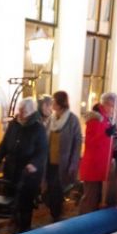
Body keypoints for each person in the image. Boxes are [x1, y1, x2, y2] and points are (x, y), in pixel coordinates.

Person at [4, 97, 48, 232]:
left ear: (31, 112)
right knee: (12, 200)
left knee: (25, 203)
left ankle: (24, 229)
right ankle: (14, 225)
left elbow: (42, 151)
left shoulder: (38, 128)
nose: (21, 114)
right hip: (12, 169)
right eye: (20, 110)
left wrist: (33, 164)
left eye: (24, 111)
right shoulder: (14, 124)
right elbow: (4, 144)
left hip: (29, 174)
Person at [44, 90, 82, 222]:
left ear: (60, 103)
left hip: (63, 163)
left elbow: (77, 143)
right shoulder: (51, 119)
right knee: (50, 189)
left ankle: (56, 216)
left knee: (58, 190)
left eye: (54, 101)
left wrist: (73, 163)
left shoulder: (72, 120)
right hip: (49, 162)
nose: (52, 104)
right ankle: (54, 214)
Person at [77, 92, 117, 213]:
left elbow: (105, 144)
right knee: (90, 199)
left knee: (97, 200)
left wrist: (113, 152)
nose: (113, 110)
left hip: (100, 165)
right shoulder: (95, 119)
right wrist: (106, 133)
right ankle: (83, 221)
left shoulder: (106, 119)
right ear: (105, 104)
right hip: (93, 166)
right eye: (112, 106)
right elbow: (90, 141)